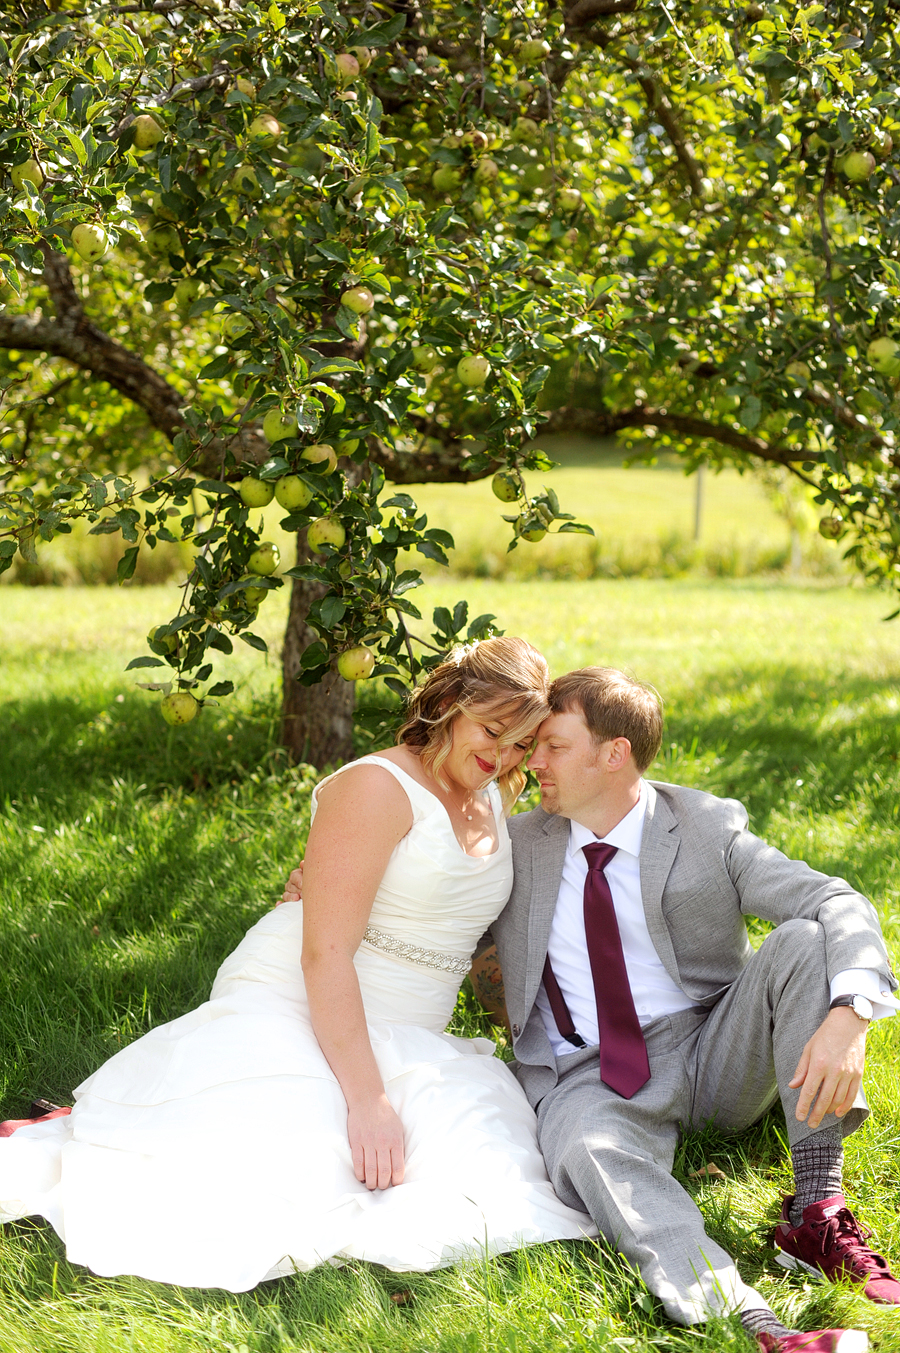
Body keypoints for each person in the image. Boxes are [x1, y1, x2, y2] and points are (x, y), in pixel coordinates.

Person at [0, 638, 595, 1289]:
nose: (503, 756)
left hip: (415, 1026)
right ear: (448, 703)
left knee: (485, 1178)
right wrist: (367, 1100)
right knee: (280, 1174)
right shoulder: (376, 785)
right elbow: (325, 951)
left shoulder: (493, 796)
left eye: (520, 743)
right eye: (492, 731)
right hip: (308, 991)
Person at [487, 667, 899, 1353]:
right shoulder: (516, 844)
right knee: (593, 1150)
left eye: (553, 745)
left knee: (803, 939)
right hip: (589, 1074)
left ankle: (816, 1209)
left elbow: (837, 901)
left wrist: (851, 1011)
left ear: (612, 753)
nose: (534, 762)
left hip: (711, 1049)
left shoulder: (706, 826)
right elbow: (429, 914)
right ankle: (755, 1323)